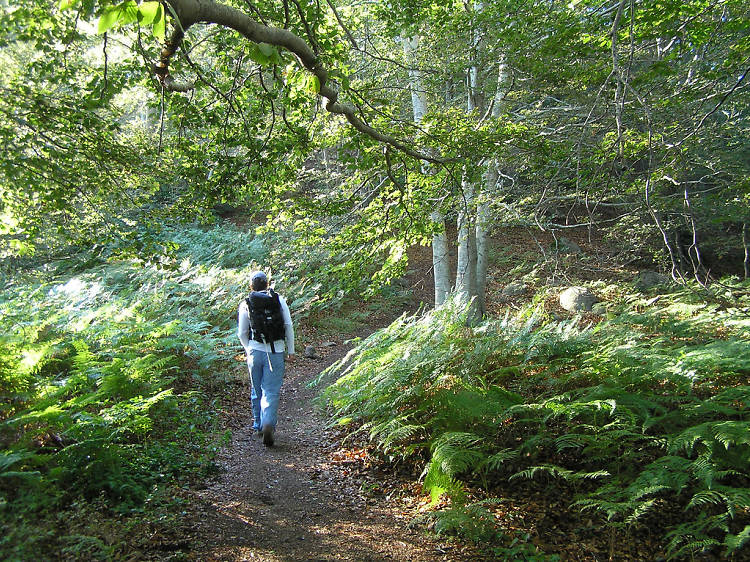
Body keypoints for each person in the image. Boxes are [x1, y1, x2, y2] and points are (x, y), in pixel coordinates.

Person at [237, 271, 295, 446]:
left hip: (255, 351)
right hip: (276, 351)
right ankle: (268, 422)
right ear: (267, 283)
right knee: (271, 390)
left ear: (251, 285)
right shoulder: (278, 299)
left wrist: (249, 350)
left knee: (256, 388)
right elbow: (288, 325)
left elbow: (242, 333)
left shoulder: (246, 303)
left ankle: (258, 424)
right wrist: (290, 350)